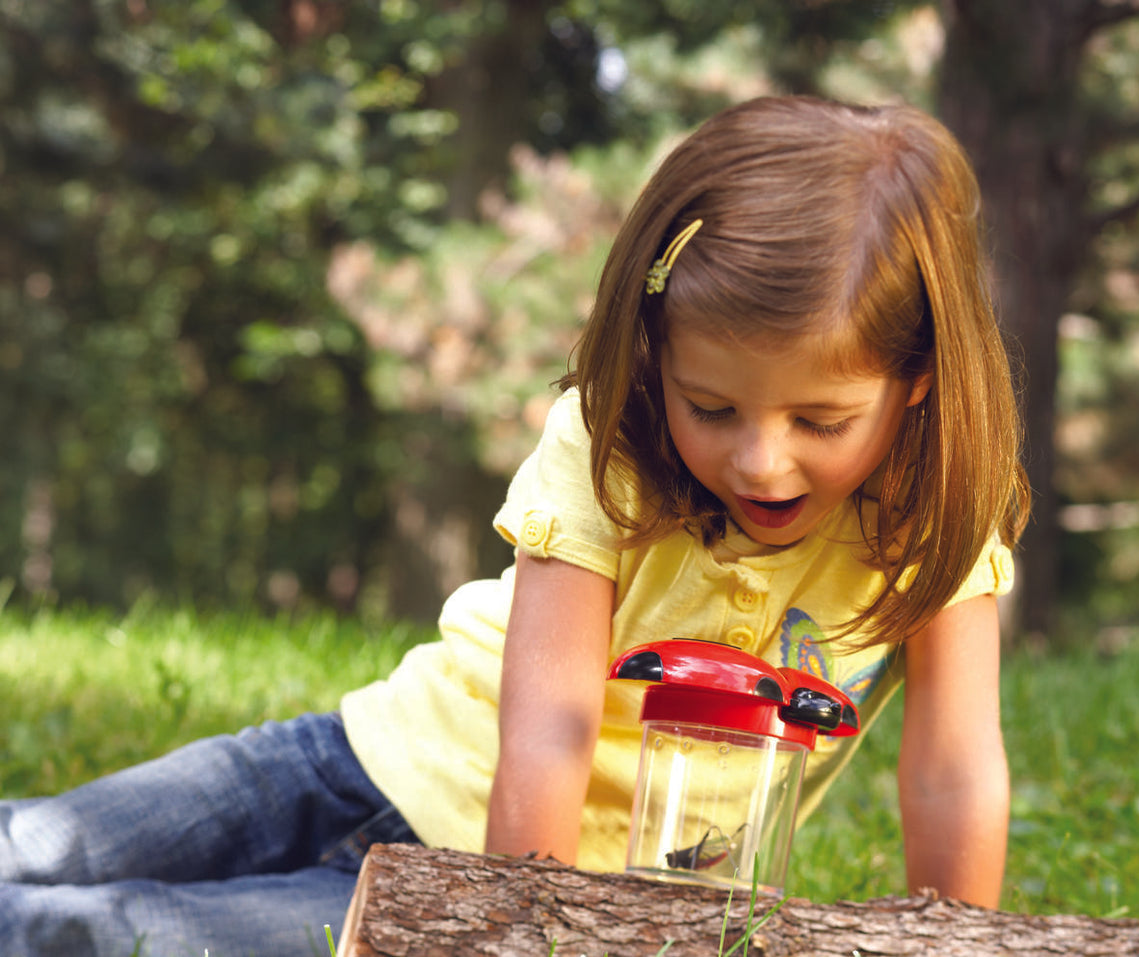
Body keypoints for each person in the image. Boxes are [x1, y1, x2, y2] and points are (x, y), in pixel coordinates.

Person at [0, 94, 1029, 956]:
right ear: (654, 354)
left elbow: (952, 768)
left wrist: (959, 942)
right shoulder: (607, 441)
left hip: (451, 896)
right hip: (359, 766)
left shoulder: (933, 521)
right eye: (710, 407)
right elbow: (553, 722)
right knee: (38, 849)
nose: (760, 458)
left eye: (820, 420)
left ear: (917, 386)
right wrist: (515, 933)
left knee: (102, 935)